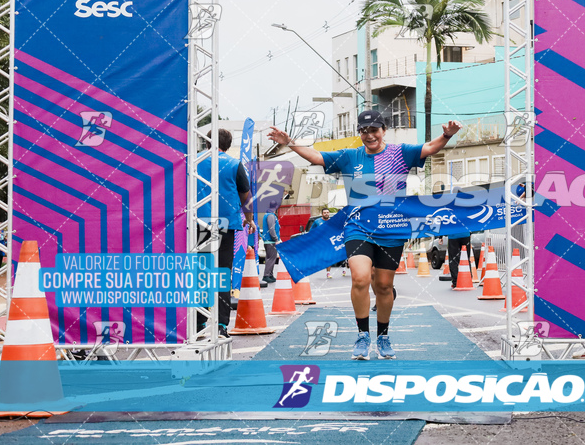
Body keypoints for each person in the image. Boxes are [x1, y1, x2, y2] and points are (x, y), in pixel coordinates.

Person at [268, 110, 461, 360]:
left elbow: (429, 148)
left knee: (384, 286)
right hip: (357, 227)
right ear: (359, 133)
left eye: (374, 130)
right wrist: (290, 142)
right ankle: (362, 335)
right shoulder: (350, 157)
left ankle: (383, 336)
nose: (369, 135)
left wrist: (446, 135)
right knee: (359, 278)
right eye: (364, 131)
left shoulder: (400, 152)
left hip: (391, 227)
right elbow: (316, 157)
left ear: (384, 130)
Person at [197, 128, 256, 338]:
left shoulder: (193, 161)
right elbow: (246, 197)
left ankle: (198, 323)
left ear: (206, 142)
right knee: (222, 273)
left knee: (201, 274)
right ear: (228, 145)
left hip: (199, 224)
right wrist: (249, 221)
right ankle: (221, 325)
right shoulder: (233, 164)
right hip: (226, 225)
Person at [310, 208, 345, 278]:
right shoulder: (317, 221)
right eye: (325, 213)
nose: (326, 214)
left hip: (332, 241)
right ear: (322, 214)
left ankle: (341, 269)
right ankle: (328, 271)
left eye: (327, 212)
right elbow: (311, 231)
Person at [259, 208, 281, 284]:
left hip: (268, 241)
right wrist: (276, 239)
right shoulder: (271, 216)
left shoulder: (268, 215)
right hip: (271, 241)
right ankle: (267, 275)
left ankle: (270, 275)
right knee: (271, 258)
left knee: (271, 258)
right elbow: (272, 229)